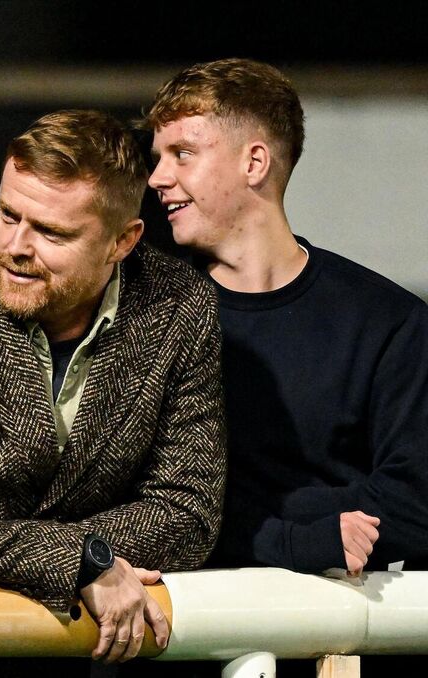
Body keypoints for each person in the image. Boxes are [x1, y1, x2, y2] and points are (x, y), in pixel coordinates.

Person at [0, 110, 226, 671]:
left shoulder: (182, 307)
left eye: (52, 232)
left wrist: (70, 559)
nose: (17, 246)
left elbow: (187, 513)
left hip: (100, 662)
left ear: (122, 241)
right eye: (8, 214)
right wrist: (82, 560)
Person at [145, 58, 428, 577]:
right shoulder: (147, 317)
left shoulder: (389, 321)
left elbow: (417, 504)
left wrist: (237, 511)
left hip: (341, 649)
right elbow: (146, 510)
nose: (158, 177)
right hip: (183, 646)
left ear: (254, 163)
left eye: (182, 154)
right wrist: (305, 536)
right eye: (159, 156)